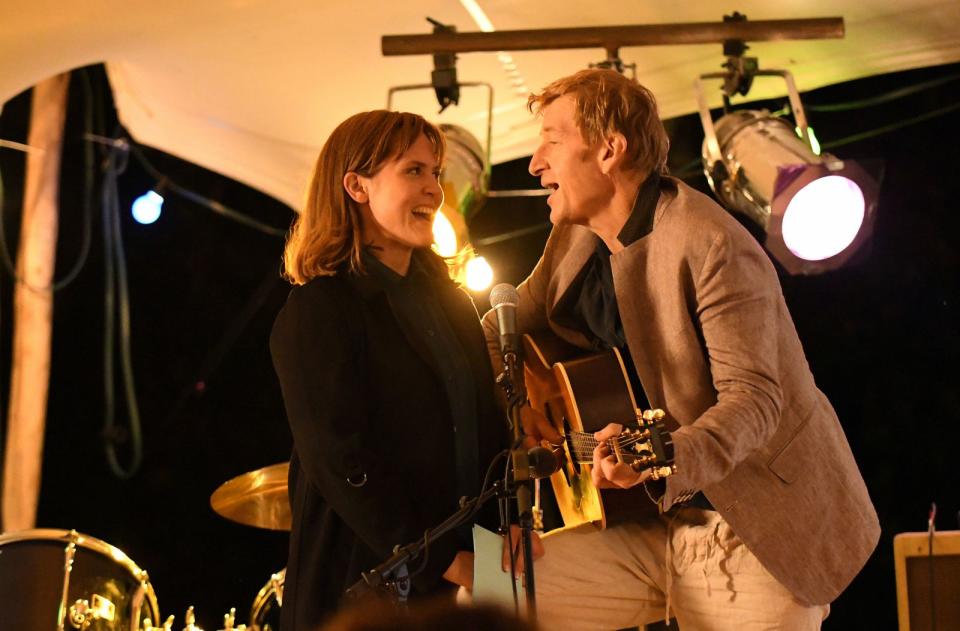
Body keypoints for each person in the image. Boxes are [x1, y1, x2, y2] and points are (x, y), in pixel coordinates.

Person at [480, 69, 880, 630]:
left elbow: (756, 402)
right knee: (488, 587)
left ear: (609, 151)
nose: (534, 163)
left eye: (551, 138)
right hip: (636, 530)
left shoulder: (711, 243)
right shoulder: (574, 234)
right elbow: (506, 324)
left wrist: (658, 456)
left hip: (755, 537)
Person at [270, 110, 507, 630]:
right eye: (414, 171)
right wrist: (438, 558)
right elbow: (342, 460)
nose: (435, 189)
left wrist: (505, 530)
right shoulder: (318, 310)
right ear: (356, 185)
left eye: (436, 172)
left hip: (474, 570)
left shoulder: (450, 301)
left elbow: (482, 431)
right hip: (369, 586)